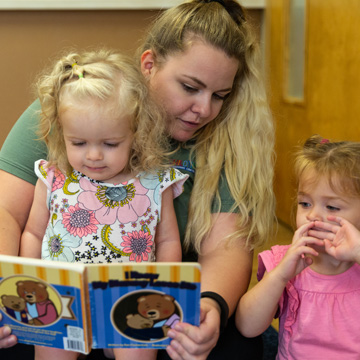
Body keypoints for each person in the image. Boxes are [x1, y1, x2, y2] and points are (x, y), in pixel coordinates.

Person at [0, 0, 275, 358]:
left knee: (236, 346)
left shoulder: (218, 146)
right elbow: (8, 213)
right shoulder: (77, 106)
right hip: (62, 295)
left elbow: (227, 248)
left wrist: (207, 308)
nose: (204, 109)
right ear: (149, 64)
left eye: (219, 95)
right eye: (190, 87)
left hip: (142, 301)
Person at [19, 49, 186, 360]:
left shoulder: (154, 182)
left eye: (110, 144)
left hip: (128, 301)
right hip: (62, 300)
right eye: (78, 143)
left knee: (136, 351)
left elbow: (167, 240)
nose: (94, 156)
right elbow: (32, 233)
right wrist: (32, 277)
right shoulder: (53, 177)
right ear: (62, 133)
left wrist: (163, 287)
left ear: (136, 133)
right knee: (50, 351)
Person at [235, 135, 360, 359]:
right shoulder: (286, 262)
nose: (312, 215)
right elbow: (247, 327)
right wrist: (280, 276)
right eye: (305, 203)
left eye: (331, 206)